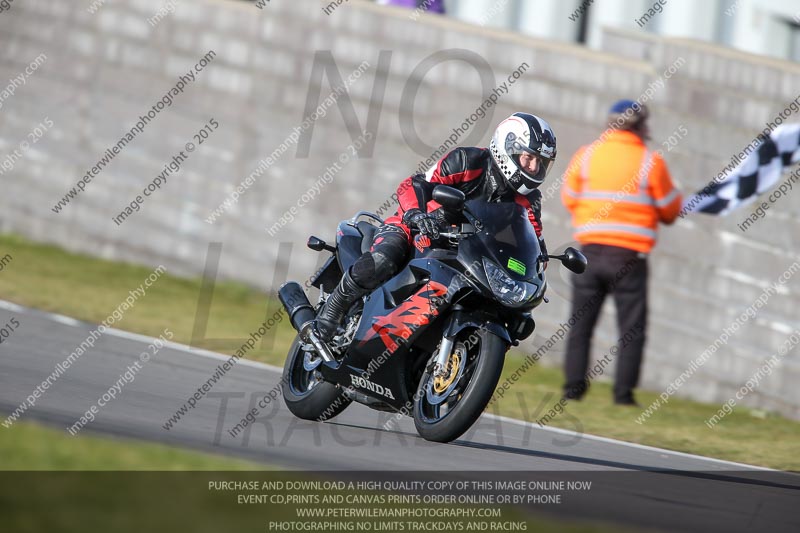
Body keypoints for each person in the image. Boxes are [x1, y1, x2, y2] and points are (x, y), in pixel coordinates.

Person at [314, 112, 558, 342]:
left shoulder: (529, 200)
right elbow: (414, 184)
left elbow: (534, 240)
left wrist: (536, 266)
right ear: (508, 148)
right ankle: (332, 312)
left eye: (541, 162)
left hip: (465, 252)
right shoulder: (467, 160)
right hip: (417, 228)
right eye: (529, 158)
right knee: (385, 258)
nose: (534, 168)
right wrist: (416, 214)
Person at [560, 100, 682, 405]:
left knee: (581, 324)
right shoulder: (650, 162)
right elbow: (669, 210)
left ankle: (573, 389)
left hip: (589, 253)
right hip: (629, 258)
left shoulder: (587, 155)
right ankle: (623, 395)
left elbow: (569, 198)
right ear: (641, 126)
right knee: (631, 329)